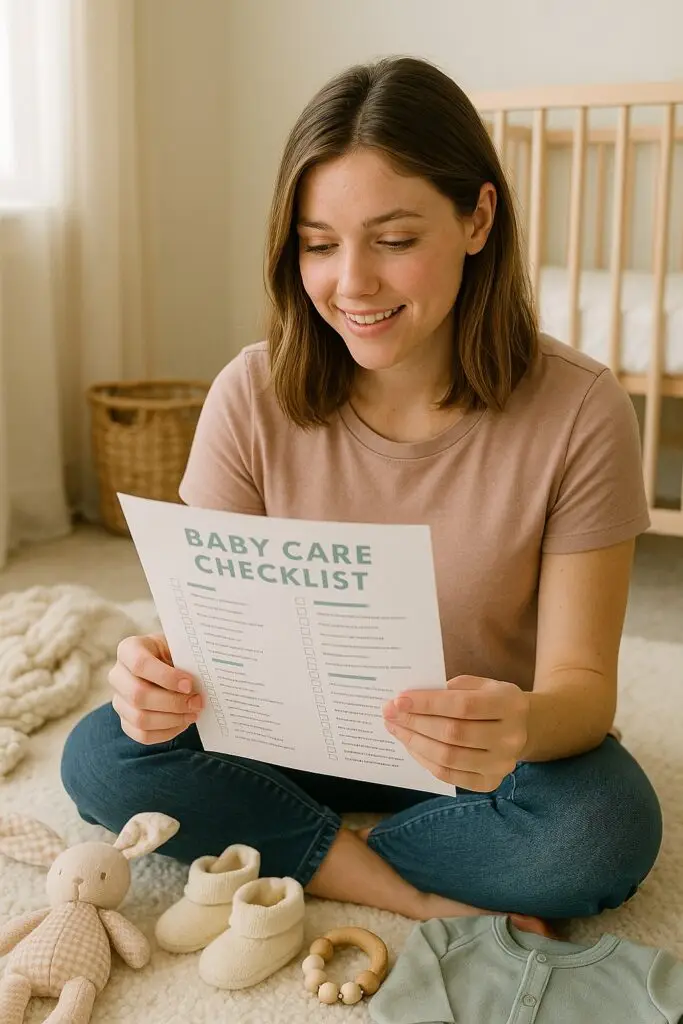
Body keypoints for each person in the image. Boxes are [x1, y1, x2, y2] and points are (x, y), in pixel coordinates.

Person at [61, 56, 662, 934]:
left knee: (599, 829)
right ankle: (401, 886)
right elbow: (206, 648)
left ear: (476, 218)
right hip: (278, 743)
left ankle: (290, 848)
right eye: (318, 243)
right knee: (102, 757)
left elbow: (581, 691)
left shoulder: (578, 408)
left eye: (393, 240)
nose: (352, 284)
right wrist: (152, 681)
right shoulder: (250, 393)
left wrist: (525, 724)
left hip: (471, 761)